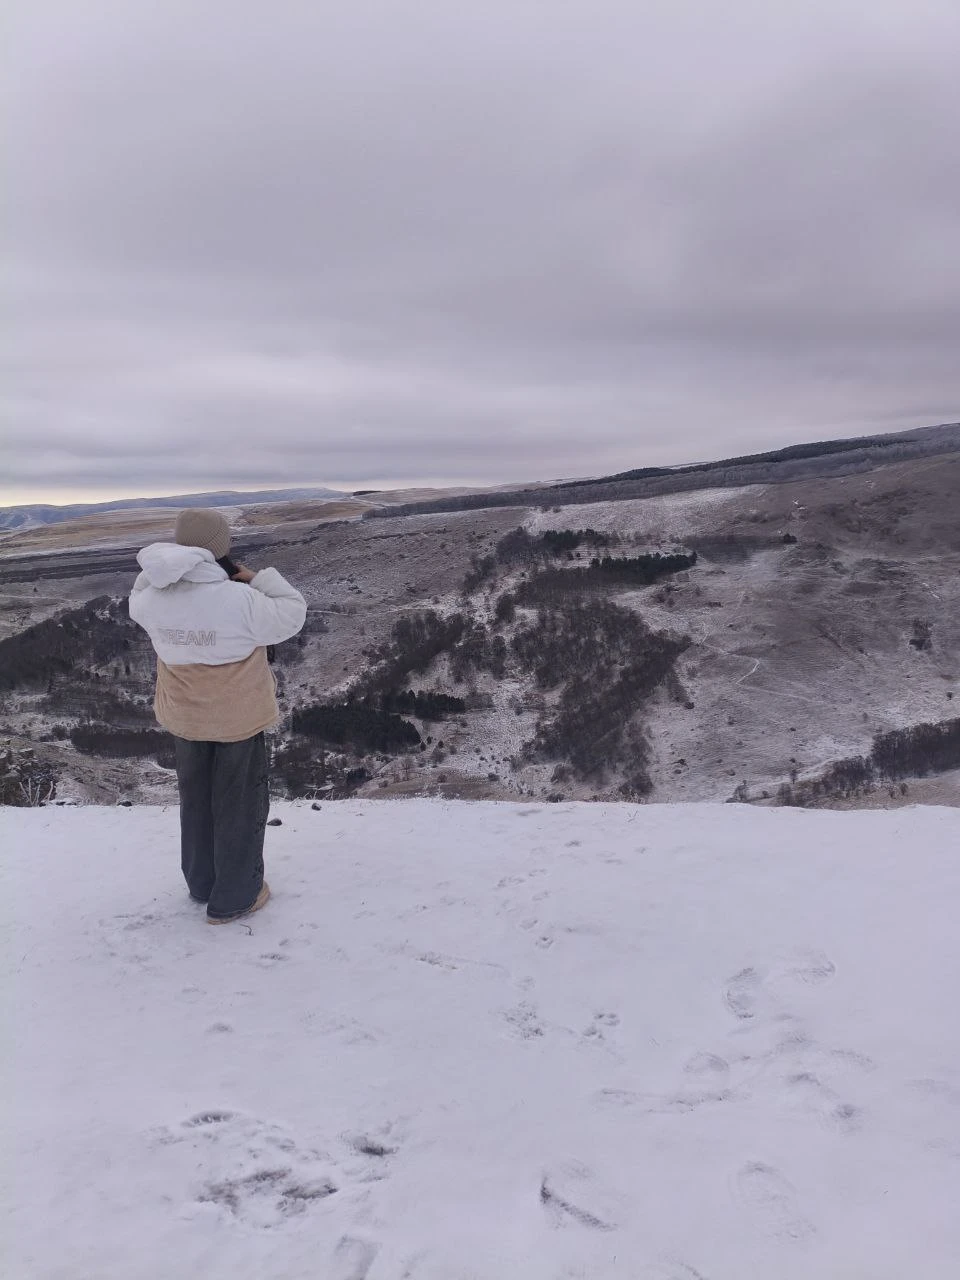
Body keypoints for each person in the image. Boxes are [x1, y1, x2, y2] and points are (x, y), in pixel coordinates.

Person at [129, 508, 306, 924]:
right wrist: (257, 577)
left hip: (185, 719)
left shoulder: (152, 599)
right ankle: (237, 896)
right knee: (239, 803)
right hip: (237, 720)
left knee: (197, 801)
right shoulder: (240, 600)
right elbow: (293, 611)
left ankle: (201, 883)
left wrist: (161, 572)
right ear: (220, 549)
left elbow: (139, 591)